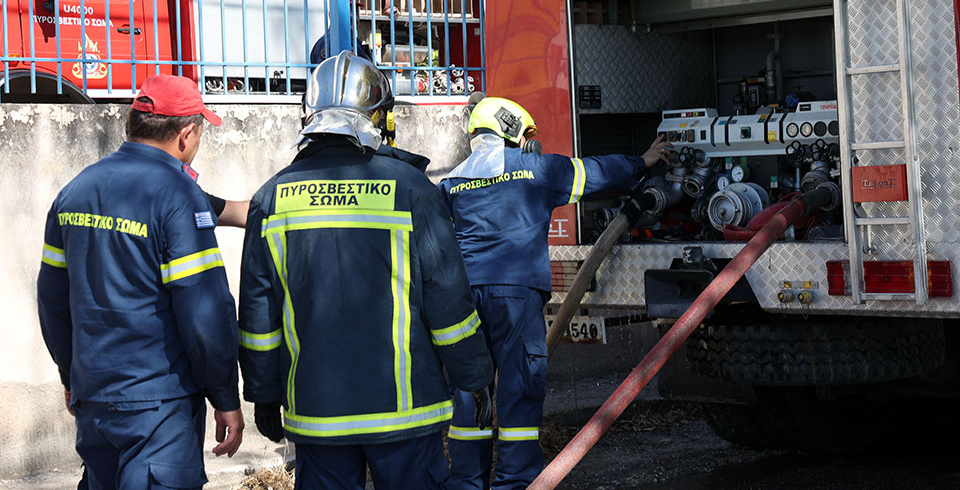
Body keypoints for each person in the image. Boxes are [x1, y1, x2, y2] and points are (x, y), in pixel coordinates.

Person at [238, 50, 495, 490]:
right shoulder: (411, 189)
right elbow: (448, 299)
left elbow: (259, 318)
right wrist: (475, 375)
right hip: (406, 414)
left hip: (319, 418)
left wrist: (263, 394)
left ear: (309, 114)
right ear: (377, 117)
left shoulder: (271, 199)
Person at [438, 97, 673, 490]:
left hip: (464, 300)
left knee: (469, 395)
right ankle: (515, 484)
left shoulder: (451, 183)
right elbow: (596, 174)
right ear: (512, 131)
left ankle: (466, 484)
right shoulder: (536, 171)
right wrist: (643, 161)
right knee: (519, 390)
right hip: (515, 297)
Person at [37, 74, 244, 490]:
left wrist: (69, 375)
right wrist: (225, 397)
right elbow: (204, 311)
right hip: (158, 410)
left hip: (94, 400)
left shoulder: (75, 192)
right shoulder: (177, 197)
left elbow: (52, 301)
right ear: (186, 134)